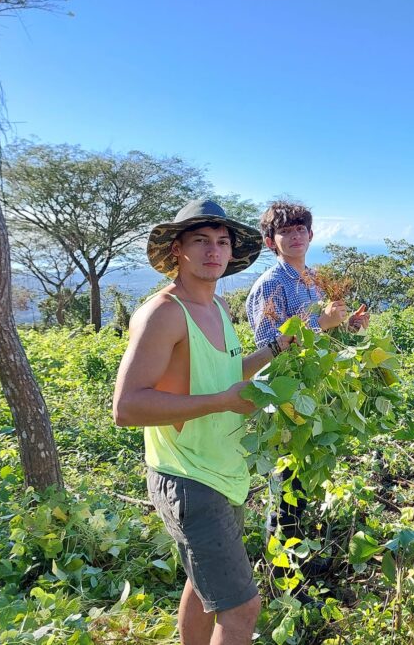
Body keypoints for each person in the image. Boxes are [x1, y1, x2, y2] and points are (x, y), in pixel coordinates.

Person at [113, 199, 292, 645]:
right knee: (242, 608)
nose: (214, 251)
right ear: (178, 249)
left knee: (202, 586)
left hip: (224, 472)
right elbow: (126, 407)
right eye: (201, 241)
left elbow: (225, 374)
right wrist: (220, 402)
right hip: (188, 477)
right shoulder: (164, 313)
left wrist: (276, 349)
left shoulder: (218, 307)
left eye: (222, 242)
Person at [245, 201, 369, 585]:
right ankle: (282, 570)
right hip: (284, 396)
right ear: (271, 242)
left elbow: (324, 334)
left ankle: (296, 554)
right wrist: (322, 323)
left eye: (301, 229)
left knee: (305, 474)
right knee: (286, 478)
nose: (295, 236)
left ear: (311, 235)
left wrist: (349, 324)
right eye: (285, 231)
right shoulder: (269, 285)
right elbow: (270, 349)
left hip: (313, 389)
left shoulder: (313, 279)